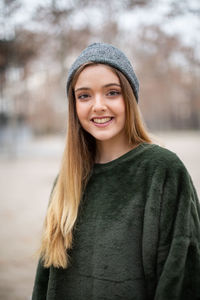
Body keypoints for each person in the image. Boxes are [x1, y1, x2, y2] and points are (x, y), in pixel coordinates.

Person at [32, 42, 200, 300]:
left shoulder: (163, 170)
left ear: (130, 98)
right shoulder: (66, 181)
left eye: (112, 92)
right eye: (84, 96)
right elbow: (44, 282)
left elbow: (181, 275)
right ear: (74, 106)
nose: (98, 105)